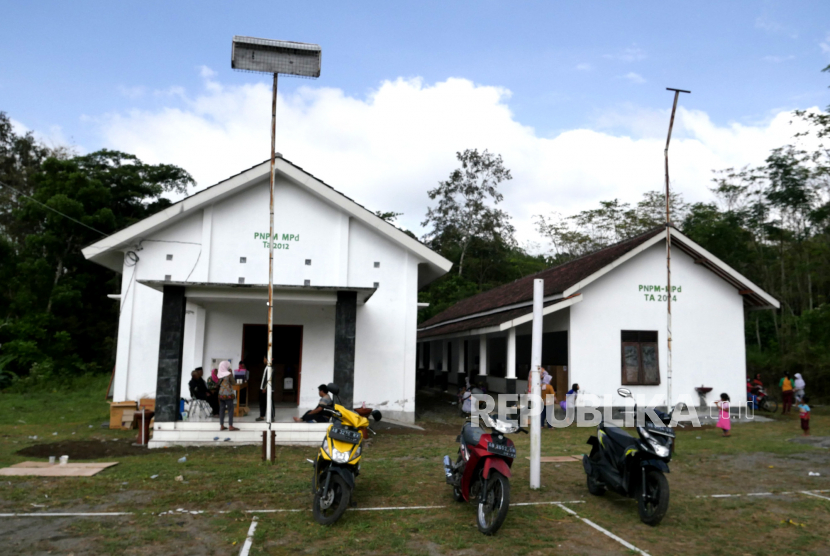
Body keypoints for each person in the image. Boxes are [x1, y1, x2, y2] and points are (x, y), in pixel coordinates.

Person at [217, 361, 239, 431]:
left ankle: (222, 425)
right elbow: (233, 382)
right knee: (230, 409)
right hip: (228, 394)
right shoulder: (229, 374)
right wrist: (231, 373)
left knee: (222, 410)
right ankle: (230, 426)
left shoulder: (219, 374)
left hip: (221, 394)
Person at [256, 356, 273, 422]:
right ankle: (262, 416)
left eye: (264, 359)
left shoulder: (269, 367)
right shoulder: (266, 367)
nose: (263, 360)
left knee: (266, 402)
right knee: (262, 403)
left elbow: (268, 379)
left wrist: (264, 388)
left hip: (265, 388)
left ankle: (270, 417)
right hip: (262, 387)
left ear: (267, 359)